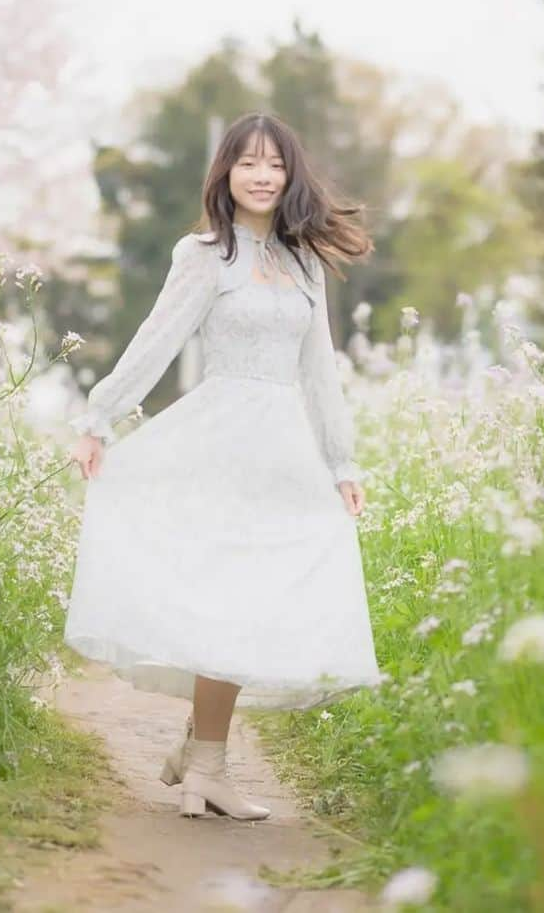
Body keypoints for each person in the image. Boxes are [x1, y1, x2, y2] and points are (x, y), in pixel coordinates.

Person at [64, 110, 383, 821]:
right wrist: (100, 416)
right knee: (225, 596)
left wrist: (341, 461)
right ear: (226, 174)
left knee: (255, 598)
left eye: (274, 163)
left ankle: (199, 750)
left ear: (290, 172)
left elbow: (318, 370)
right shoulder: (206, 254)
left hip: (281, 452)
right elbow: (157, 338)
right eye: (248, 162)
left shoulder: (305, 265)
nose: (262, 175)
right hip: (217, 440)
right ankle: (209, 763)